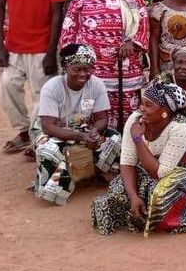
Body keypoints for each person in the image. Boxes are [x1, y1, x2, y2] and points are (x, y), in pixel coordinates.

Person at [91, 81, 186, 236]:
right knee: (119, 187)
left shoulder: (180, 128)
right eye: (141, 103)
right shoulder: (135, 119)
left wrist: (137, 139)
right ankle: (143, 208)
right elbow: (127, 162)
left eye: (148, 105)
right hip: (160, 166)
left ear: (165, 112)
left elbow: (159, 173)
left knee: (160, 194)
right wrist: (133, 196)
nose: (141, 109)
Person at [0, 0, 67, 154]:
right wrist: (0, 45)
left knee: (41, 95)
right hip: (14, 46)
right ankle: (24, 131)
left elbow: (57, 15)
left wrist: (51, 52)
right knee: (7, 88)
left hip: (42, 48)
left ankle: (38, 138)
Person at [59, 0, 149, 129]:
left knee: (127, 115)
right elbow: (69, 29)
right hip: (91, 69)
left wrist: (132, 42)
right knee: (93, 113)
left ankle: (125, 149)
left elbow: (143, 22)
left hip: (125, 68)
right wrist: (72, 61)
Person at [32, 44, 121, 204]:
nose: (83, 74)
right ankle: (56, 189)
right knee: (48, 149)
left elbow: (102, 118)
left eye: (87, 69)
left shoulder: (96, 84)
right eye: (77, 69)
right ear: (66, 67)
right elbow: (48, 126)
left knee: (115, 139)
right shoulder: (52, 87)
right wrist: (81, 136)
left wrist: (94, 132)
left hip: (82, 128)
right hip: (52, 131)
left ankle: (100, 172)